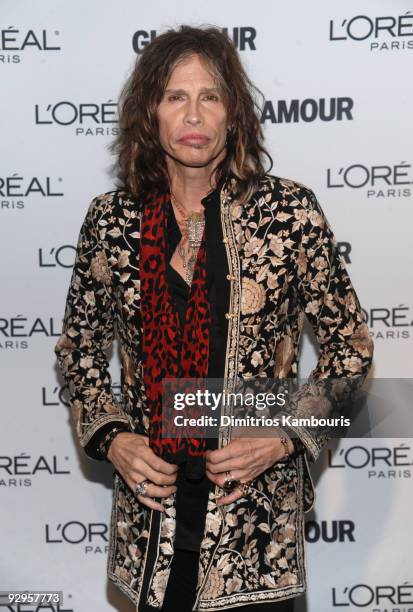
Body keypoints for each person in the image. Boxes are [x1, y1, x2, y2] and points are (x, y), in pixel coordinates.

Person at [54, 25, 374, 611]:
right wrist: (113, 438)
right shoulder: (112, 220)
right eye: (176, 96)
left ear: (234, 113)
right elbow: (78, 351)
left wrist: (284, 437)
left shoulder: (288, 213)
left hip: (253, 520)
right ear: (151, 113)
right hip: (151, 520)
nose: (194, 114)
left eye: (211, 96)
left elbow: (351, 350)